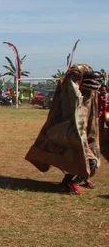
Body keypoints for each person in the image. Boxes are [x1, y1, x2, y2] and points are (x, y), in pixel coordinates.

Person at [26, 64, 101, 194]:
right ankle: (72, 182)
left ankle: (70, 181)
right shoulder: (70, 98)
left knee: (84, 160)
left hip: (78, 135)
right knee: (88, 161)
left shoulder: (89, 99)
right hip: (68, 133)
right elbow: (74, 100)